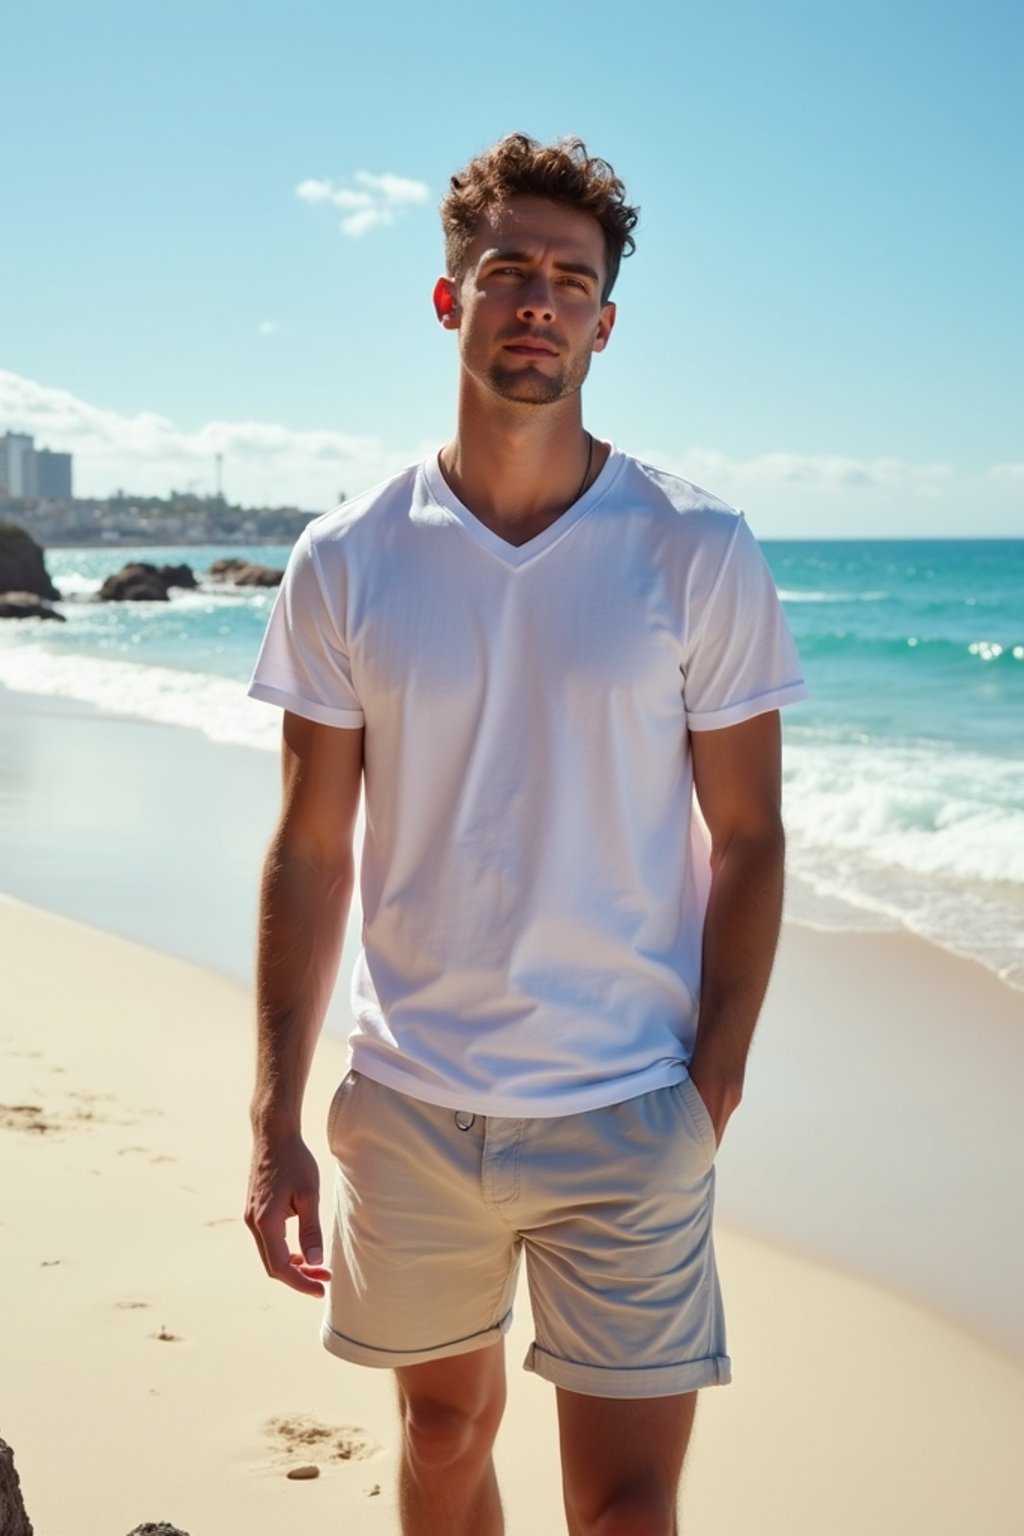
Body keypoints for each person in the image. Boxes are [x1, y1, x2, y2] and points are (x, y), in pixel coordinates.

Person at [245, 132, 807, 1536]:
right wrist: (274, 1119)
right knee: (443, 1437)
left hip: (631, 1107)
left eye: (572, 279)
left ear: (607, 323)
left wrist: (713, 1086)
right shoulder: (349, 558)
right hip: (414, 1104)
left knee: (623, 1510)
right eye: (509, 273)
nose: (540, 301)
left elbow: (750, 836)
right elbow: (310, 850)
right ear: (452, 302)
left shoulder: (697, 548)